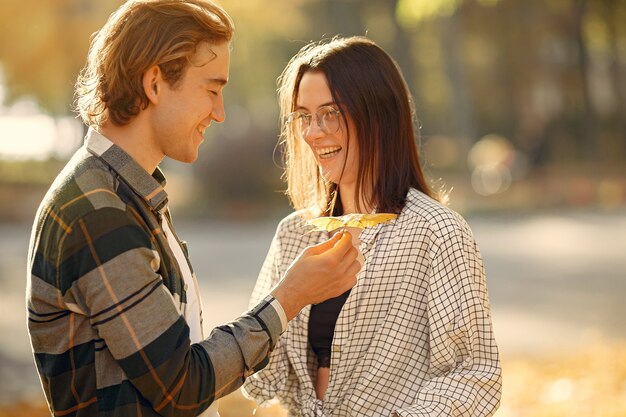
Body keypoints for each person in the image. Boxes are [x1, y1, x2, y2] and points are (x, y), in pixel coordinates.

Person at [26, 2, 360, 417]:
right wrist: (290, 297)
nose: (219, 113)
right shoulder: (98, 211)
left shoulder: (127, 196)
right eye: (211, 89)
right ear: (154, 83)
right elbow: (180, 387)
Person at [242, 36, 502, 416]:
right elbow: (261, 380)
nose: (314, 132)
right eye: (303, 116)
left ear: (378, 116)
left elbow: (474, 376)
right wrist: (289, 299)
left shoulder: (435, 232)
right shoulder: (296, 233)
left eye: (331, 112)